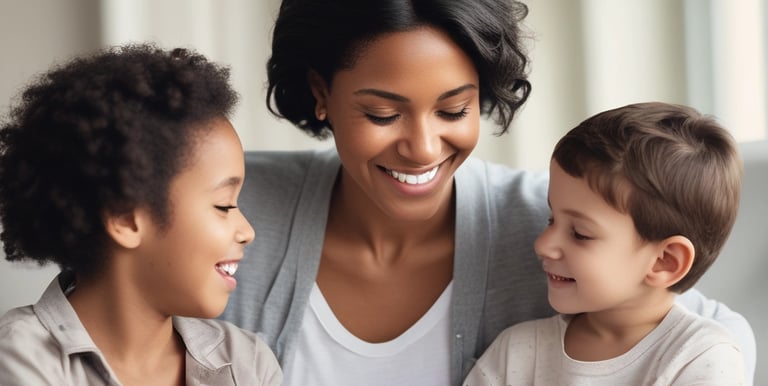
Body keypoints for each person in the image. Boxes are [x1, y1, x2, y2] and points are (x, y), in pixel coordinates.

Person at [220, 0, 756, 385]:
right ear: (321, 94)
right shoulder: (234, 200)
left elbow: (710, 329)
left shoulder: (540, 221)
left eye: (454, 110)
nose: (423, 147)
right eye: (382, 114)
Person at [0, 43, 283, 385]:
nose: (247, 231)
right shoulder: (19, 360)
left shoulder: (247, 363)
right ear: (125, 217)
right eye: (224, 205)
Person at [463, 102, 745, 385]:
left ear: (664, 261)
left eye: (580, 233)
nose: (543, 244)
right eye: (551, 219)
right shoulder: (518, 351)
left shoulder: (701, 358)